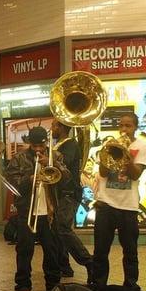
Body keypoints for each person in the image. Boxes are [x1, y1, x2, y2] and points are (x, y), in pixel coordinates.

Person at [5, 126, 67, 291]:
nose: (38, 149)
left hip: (49, 211)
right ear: (29, 143)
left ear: (46, 143)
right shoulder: (19, 158)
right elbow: (12, 182)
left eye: (41, 145)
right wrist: (29, 179)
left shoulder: (56, 156)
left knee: (52, 250)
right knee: (24, 249)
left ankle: (53, 286)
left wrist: (51, 164)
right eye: (34, 146)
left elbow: (68, 179)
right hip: (27, 210)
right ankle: (23, 285)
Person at [92, 113, 146, 291]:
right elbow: (102, 174)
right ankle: (99, 285)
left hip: (128, 207)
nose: (124, 129)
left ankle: (131, 286)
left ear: (135, 127)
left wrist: (125, 156)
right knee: (101, 251)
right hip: (105, 204)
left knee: (130, 251)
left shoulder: (143, 146)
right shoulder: (109, 143)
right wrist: (108, 151)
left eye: (128, 125)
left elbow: (135, 175)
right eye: (121, 125)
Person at [51, 120, 93, 280]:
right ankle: (64, 266)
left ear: (61, 127)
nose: (52, 129)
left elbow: (64, 162)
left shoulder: (70, 144)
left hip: (69, 192)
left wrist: (49, 154)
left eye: (54, 125)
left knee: (63, 229)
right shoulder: (60, 144)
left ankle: (88, 261)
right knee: (57, 230)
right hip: (60, 193)